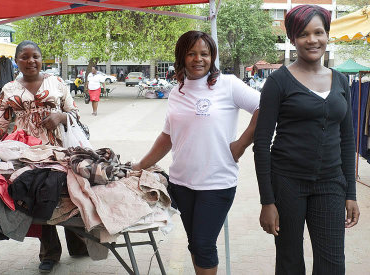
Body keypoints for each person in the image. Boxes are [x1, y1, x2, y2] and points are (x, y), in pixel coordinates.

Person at [132, 30, 260, 274]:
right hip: (181, 183)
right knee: (195, 244)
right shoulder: (177, 91)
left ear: (212, 57)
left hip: (217, 183)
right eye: (191, 53)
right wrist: (140, 165)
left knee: (203, 245)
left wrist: (240, 145)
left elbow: (264, 106)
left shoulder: (228, 85)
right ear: (181, 57)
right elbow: (167, 137)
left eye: (205, 53)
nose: (198, 59)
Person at [253, 5, 360, 274]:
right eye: (303, 34)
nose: (312, 40)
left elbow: (347, 140)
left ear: (327, 35)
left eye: (318, 32)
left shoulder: (341, 82)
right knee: (289, 261)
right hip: (287, 183)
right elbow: (262, 144)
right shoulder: (278, 82)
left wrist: (351, 194)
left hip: (331, 184)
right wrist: (267, 201)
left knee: (332, 263)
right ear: (292, 39)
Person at [0, 40, 89, 273]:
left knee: (67, 194)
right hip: (24, 152)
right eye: (24, 57)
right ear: (16, 61)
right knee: (40, 196)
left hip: (58, 148)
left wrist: (60, 118)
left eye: (35, 56)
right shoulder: (9, 89)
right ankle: (49, 253)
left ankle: (78, 243)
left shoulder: (56, 83)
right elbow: (2, 122)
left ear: (41, 58)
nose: (30, 61)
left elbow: (74, 112)